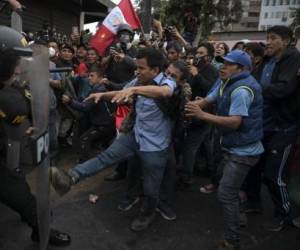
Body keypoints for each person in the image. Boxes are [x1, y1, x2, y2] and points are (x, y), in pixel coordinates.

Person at [50, 48, 176, 232]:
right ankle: (70, 178)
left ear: (155, 70)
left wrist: (134, 89)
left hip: (155, 147)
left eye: (141, 68)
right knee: (105, 157)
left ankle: (147, 214)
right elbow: (121, 93)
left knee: (151, 188)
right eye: (137, 68)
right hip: (135, 136)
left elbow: (164, 93)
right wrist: (101, 95)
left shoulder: (167, 82)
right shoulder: (137, 81)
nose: (137, 72)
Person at [185, 50, 264, 250]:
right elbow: (209, 98)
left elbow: (235, 122)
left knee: (226, 193)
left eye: (228, 64)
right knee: (225, 181)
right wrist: (192, 106)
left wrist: (202, 115)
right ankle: (239, 215)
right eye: (222, 63)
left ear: (242, 69)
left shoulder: (241, 90)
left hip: (243, 151)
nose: (222, 67)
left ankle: (232, 241)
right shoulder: (226, 82)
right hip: (231, 146)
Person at [0, 25, 71, 247]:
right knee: (21, 195)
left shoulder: (10, 88)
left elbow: (27, 101)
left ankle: (39, 230)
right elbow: (15, 106)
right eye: (15, 64)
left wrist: (32, 121)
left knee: (22, 193)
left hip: (3, 151)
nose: (19, 70)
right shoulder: (8, 97)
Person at [243, 26, 300, 231]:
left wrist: (256, 90)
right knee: (254, 167)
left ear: (285, 41)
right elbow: (251, 83)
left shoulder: (293, 59)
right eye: (267, 38)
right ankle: (253, 203)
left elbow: (283, 90)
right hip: (263, 125)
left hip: (283, 127)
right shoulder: (267, 60)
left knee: (273, 174)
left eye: (273, 38)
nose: (268, 42)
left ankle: (285, 214)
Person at [62, 66, 116, 162]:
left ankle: (84, 164)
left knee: (84, 139)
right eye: (88, 76)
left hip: (103, 124)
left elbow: (85, 107)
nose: (89, 78)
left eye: (92, 76)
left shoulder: (99, 90)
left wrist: (70, 101)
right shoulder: (98, 88)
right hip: (105, 122)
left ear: (100, 78)